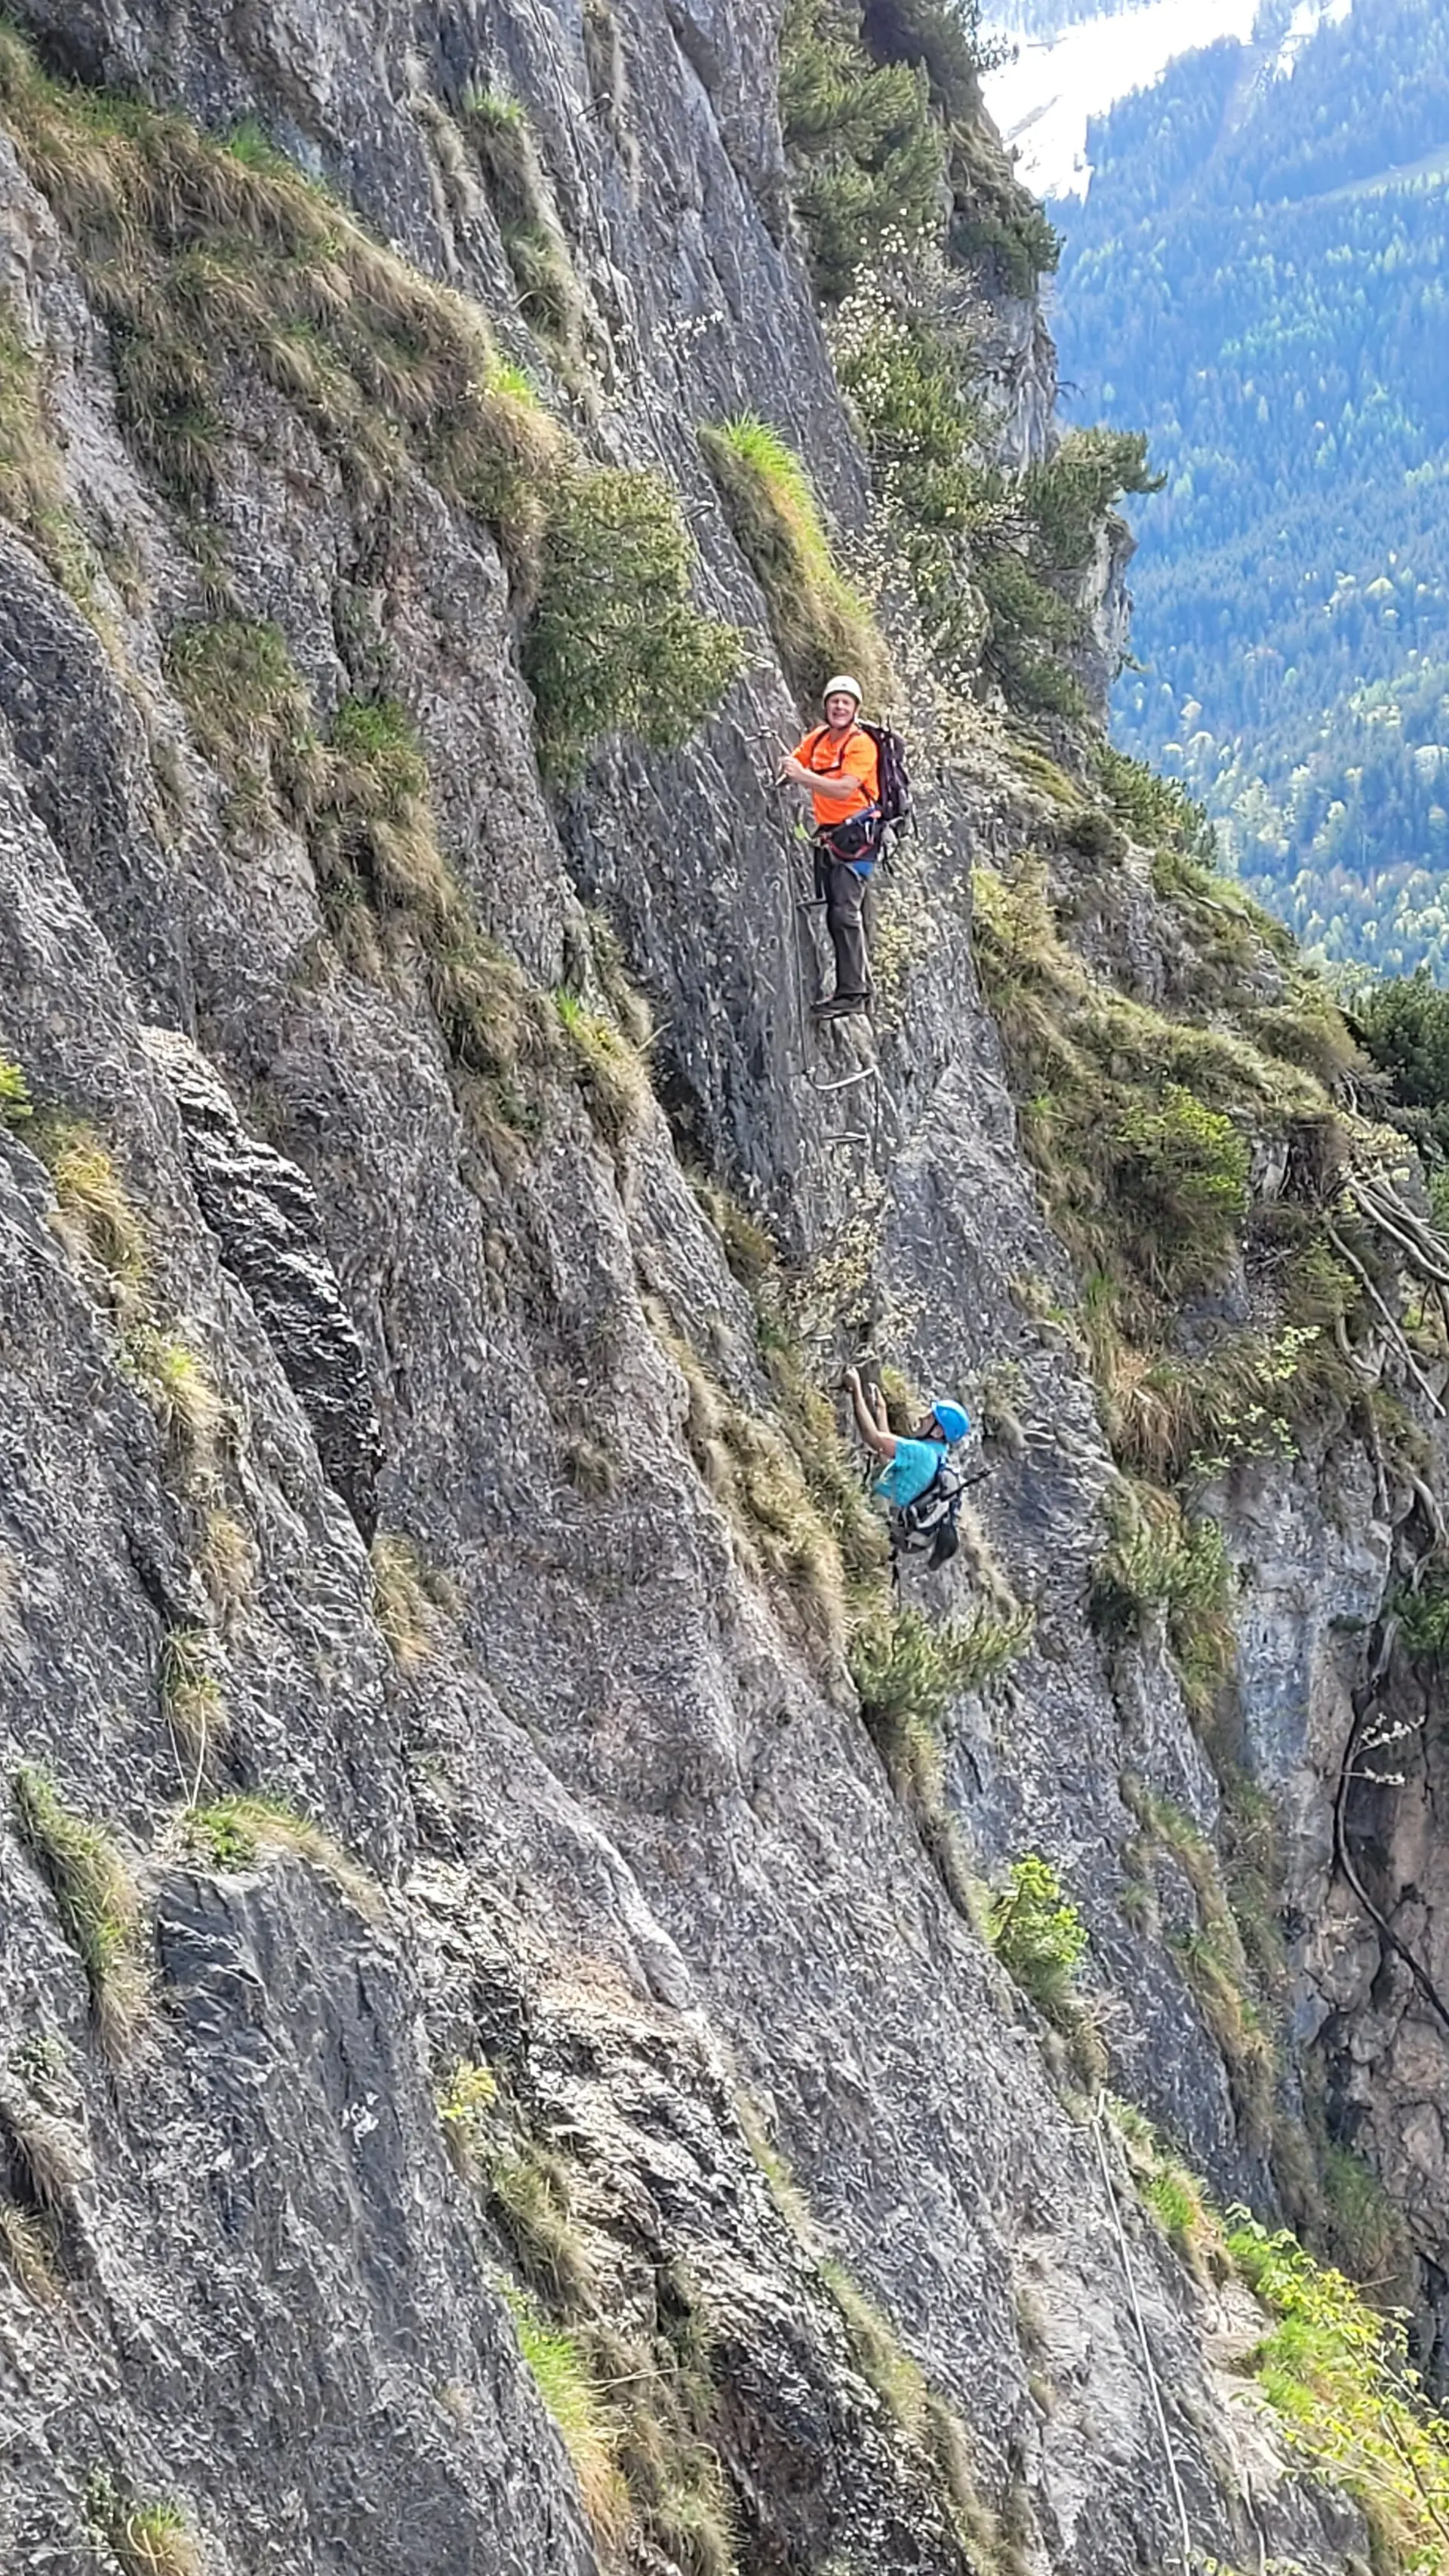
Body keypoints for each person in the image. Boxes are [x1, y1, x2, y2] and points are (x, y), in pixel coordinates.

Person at [779, 676, 881, 1017]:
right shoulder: (819, 739)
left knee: (844, 912)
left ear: (855, 709)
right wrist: (786, 772)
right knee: (838, 909)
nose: (839, 707)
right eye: (834, 701)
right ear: (826, 705)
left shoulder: (861, 744)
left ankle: (853, 993)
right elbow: (796, 761)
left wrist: (801, 776)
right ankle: (857, 987)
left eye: (845, 702)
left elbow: (844, 789)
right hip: (832, 835)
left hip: (858, 837)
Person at [844, 1366, 971, 1568]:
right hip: (882, 1527)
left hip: (871, 1516)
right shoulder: (936, 1459)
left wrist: (856, 1391)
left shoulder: (921, 1453)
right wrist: (881, 1411)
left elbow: (873, 1439)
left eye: (929, 1418)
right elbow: (888, 1461)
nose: (921, 1419)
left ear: (937, 1432)